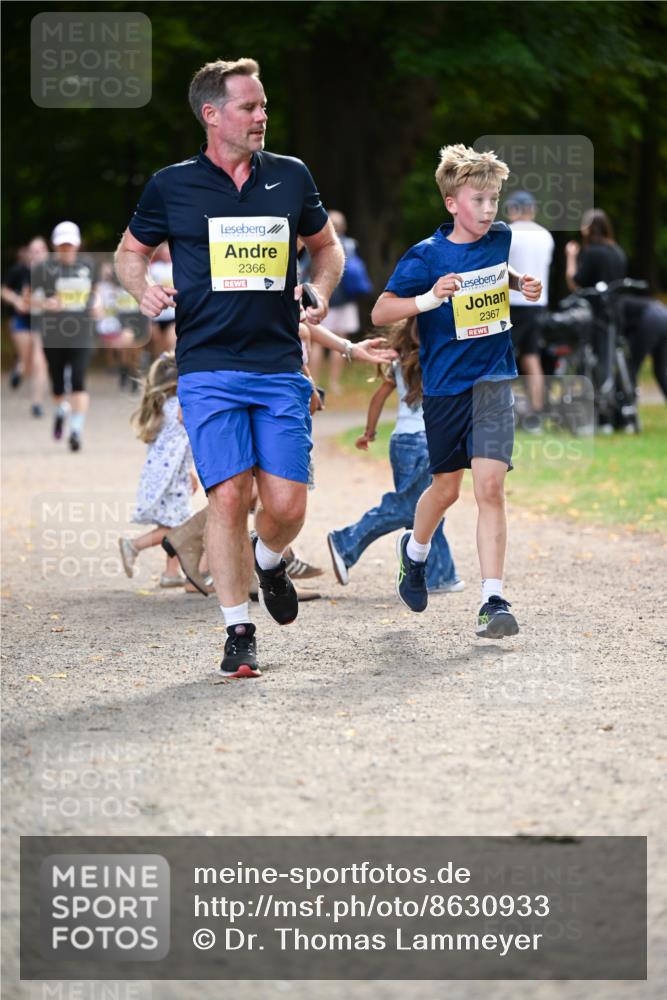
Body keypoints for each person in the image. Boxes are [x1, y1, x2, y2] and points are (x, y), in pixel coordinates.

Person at [115, 58, 344, 678]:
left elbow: (326, 247)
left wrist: (319, 288)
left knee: (287, 505)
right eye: (249, 107)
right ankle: (237, 630)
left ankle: (270, 560)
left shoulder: (291, 177)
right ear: (212, 115)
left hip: (277, 364)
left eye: (264, 106)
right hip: (208, 365)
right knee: (228, 494)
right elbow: (129, 252)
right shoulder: (171, 185)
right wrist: (141, 291)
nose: (262, 116)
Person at [371, 143, 542, 638]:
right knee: (445, 489)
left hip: (492, 381)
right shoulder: (425, 255)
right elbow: (382, 312)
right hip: (446, 387)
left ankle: (493, 600)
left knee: (490, 488)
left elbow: (489, 276)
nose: (489, 210)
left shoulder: (501, 238)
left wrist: (518, 285)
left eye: (494, 200)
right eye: (479, 200)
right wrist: (428, 298)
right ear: (452, 203)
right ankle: (415, 551)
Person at [327, 318, 463, 594]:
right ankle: (346, 542)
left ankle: (440, 575)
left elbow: (378, 398)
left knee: (424, 509)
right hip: (425, 442)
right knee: (410, 506)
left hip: (401, 442)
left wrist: (369, 432)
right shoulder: (440, 360)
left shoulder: (400, 362)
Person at [118, 352, 198, 586]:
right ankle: (134, 545)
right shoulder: (179, 409)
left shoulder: (163, 405)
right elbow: (182, 444)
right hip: (170, 478)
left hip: (168, 475)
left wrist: (188, 472)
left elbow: (175, 448)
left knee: (172, 523)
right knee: (179, 528)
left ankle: (171, 573)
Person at [30, 222, 96, 451]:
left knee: (78, 380)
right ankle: (61, 410)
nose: (66, 248)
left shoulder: (88, 266)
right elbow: (28, 298)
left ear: (77, 244)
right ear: (55, 245)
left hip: (82, 331)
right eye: (62, 245)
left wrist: (97, 306)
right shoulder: (43, 269)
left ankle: (76, 430)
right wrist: (45, 303)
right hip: (53, 333)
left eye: (70, 244)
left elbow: (96, 293)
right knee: (57, 384)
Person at [308, 210, 369, 394]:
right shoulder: (351, 244)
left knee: (317, 342)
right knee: (340, 341)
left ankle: (315, 381)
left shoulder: (315, 245)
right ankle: (335, 383)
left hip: (322, 299)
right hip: (346, 300)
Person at [506, 191, 554, 420]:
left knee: (503, 354)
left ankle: (500, 407)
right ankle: (537, 408)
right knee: (531, 355)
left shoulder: (509, 234)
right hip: (538, 304)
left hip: (514, 303)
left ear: (514, 209)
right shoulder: (545, 235)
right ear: (532, 210)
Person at [1, 237, 49, 416]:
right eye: (33, 250)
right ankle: (20, 369)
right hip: (22, 321)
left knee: (40, 361)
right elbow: (4, 290)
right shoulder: (19, 270)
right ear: (29, 253)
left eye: (40, 250)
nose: (37, 254)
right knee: (27, 359)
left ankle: (36, 403)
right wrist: (16, 301)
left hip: (43, 322)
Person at [565, 208, 626, 291]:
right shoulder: (617, 251)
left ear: (590, 227)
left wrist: (571, 256)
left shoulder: (591, 252)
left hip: (594, 302)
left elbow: (575, 283)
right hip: (614, 302)